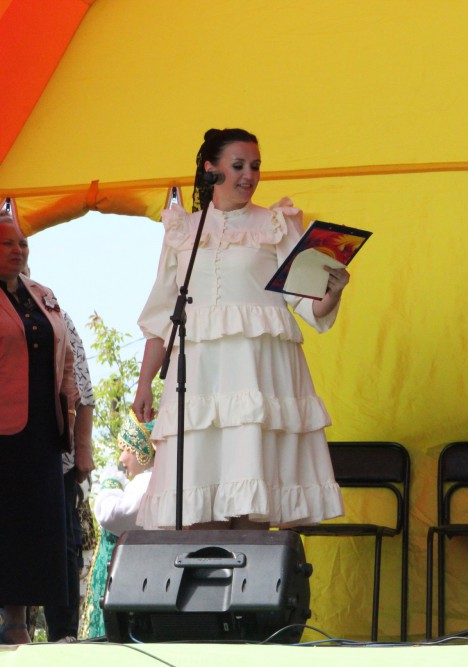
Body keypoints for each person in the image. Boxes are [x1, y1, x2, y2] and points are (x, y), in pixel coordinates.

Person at [132, 128, 348, 530]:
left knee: (251, 502)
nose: (249, 175)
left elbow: (307, 302)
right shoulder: (183, 230)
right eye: (238, 165)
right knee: (198, 502)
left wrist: (332, 291)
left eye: (255, 166)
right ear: (211, 169)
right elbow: (161, 314)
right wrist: (144, 383)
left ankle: (253, 568)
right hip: (199, 376)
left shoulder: (276, 224)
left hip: (256, 372)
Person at [0, 214, 80, 644]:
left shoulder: (42, 295)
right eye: (7, 244)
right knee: (6, 525)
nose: (18, 250)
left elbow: (66, 360)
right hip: (2, 431)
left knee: (38, 527)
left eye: (23, 244)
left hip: (42, 429)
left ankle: (22, 624)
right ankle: (12, 624)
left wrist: (68, 413)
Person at [43, 308, 96, 641]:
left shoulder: (52, 311)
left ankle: (63, 637)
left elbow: (83, 389)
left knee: (63, 546)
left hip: (54, 456)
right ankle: (13, 627)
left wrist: (83, 448)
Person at [80, 410, 156, 639]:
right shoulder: (146, 482)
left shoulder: (147, 482)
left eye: (126, 449)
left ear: (142, 452)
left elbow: (111, 515)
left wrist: (110, 485)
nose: (122, 458)